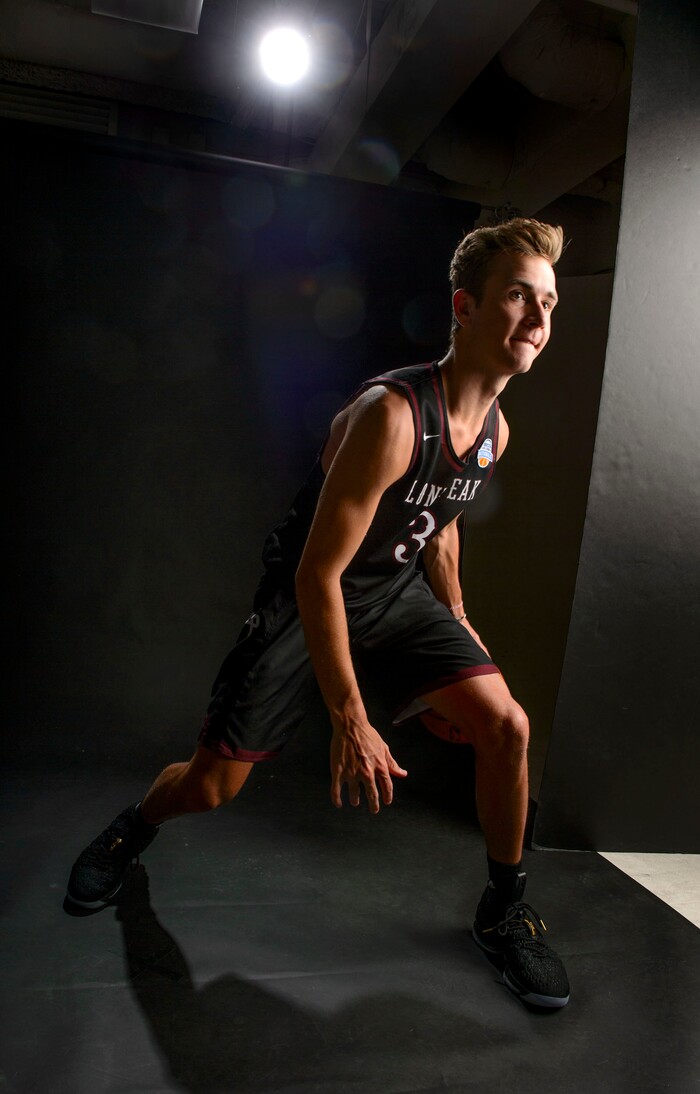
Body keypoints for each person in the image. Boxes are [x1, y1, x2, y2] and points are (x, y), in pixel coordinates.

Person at [66, 217, 570, 1009]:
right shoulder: (393, 414)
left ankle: (503, 914)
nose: (539, 320)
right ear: (465, 308)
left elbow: (440, 523)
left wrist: (459, 625)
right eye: (518, 297)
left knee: (508, 726)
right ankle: (134, 825)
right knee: (211, 787)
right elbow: (318, 574)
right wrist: (352, 716)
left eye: (547, 301)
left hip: (393, 594)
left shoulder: (494, 433)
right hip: (309, 599)